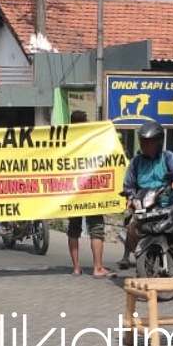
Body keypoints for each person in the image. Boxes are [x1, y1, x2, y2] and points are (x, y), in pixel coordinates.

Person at [118, 121, 173, 277]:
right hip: (145, 208)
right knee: (130, 231)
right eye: (143, 141)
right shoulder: (136, 162)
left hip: (169, 206)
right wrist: (129, 195)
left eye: (149, 142)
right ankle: (141, 256)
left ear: (158, 142)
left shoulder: (168, 157)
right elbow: (128, 184)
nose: (144, 145)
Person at [65, 110, 113, 278]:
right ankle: (98, 268)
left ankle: (76, 268)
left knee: (73, 229)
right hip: (92, 189)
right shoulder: (92, 139)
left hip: (72, 190)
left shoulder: (65, 140)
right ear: (85, 121)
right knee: (96, 228)